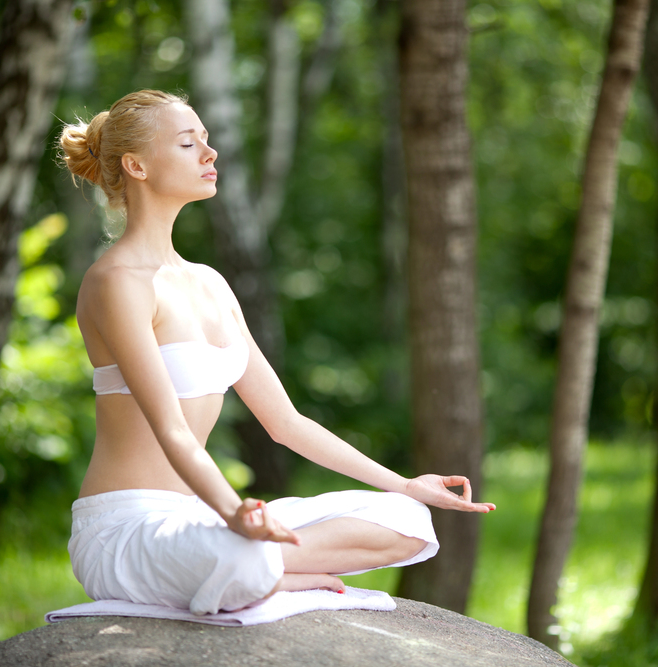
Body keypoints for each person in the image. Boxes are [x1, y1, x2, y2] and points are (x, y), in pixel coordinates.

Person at [57, 90, 495, 615]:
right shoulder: (117, 282)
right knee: (243, 554)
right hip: (128, 532)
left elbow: (285, 422)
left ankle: (262, 564)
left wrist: (405, 483)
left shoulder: (211, 285)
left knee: (407, 521)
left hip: (204, 521)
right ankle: (257, 565)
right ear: (136, 166)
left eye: (207, 140)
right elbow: (171, 430)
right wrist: (236, 512)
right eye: (188, 142)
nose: (209, 154)